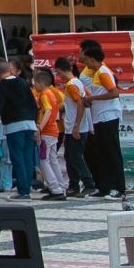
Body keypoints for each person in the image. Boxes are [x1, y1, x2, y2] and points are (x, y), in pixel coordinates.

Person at [79, 39, 128, 199]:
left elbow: (114, 92)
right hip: (99, 118)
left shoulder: (103, 72)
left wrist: (93, 98)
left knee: (112, 152)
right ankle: (104, 187)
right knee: (102, 153)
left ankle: (119, 188)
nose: (86, 64)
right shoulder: (97, 73)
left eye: (87, 60)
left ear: (92, 59)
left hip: (108, 116)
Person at [0, 58, 37, 202]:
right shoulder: (23, 82)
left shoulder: (2, 86)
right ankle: (27, 187)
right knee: (28, 157)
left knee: (17, 158)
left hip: (14, 125)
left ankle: (23, 191)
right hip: (30, 123)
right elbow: (33, 104)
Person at [56, 57, 98, 197]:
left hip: (75, 127)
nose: (59, 76)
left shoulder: (71, 85)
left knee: (75, 157)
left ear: (60, 70)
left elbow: (80, 103)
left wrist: (76, 126)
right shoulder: (78, 82)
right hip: (76, 126)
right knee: (70, 157)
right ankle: (73, 186)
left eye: (58, 73)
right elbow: (87, 100)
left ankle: (88, 184)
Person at [33, 66, 68, 201]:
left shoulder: (44, 95)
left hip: (46, 132)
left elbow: (47, 110)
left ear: (41, 83)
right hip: (54, 131)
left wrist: (39, 128)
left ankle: (55, 188)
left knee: (43, 160)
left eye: (35, 83)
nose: (34, 86)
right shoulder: (52, 94)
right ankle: (61, 186)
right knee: (53, 160)